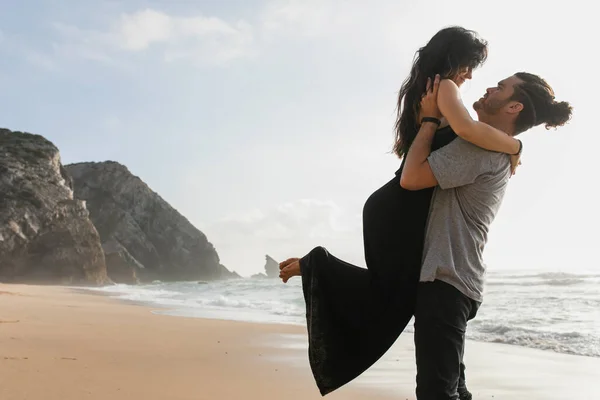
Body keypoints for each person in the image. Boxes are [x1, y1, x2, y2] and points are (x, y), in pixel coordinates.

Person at [278, 26, 520, 398]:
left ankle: (314, 267)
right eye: (471, 66)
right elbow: (466, 128)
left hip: (391, 206)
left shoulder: (423, 87)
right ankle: (316, 266)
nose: (471, 76)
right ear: (456, 58)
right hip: (400, 203)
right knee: (395, 297)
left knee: (389, 294)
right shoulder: (445, 88)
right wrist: (514, 145)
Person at [401, 72, 572, 399]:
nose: (491, 86)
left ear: (514, 107)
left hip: (446, 278)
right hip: (458, 280)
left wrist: (429, 120)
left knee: (437, 393)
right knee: (453, 388)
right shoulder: (495, 149)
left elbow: (411, 177)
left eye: (502, 87)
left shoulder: (480, 150)